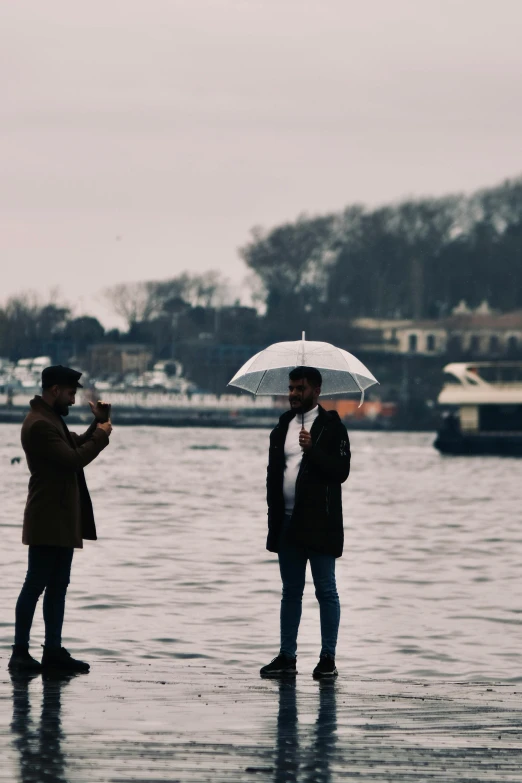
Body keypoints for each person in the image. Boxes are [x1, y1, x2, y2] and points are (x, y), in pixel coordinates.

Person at [8, 365, 112, 674]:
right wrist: (103, 436)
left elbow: (75, 443)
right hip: (47, 518)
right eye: (70, 394)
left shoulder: (50, 419)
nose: (72, 399)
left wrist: (99, 423)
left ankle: (52, 651)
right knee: (35, 585)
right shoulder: (39, 424)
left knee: (57, 586)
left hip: (61, 519)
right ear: (54, 390)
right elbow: (73, 459)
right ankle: (19, 653)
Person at [260, 366, 350, 679]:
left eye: (300, 388)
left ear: (316, 390)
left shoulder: (332, 426)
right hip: (287, 522)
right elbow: (275, 473)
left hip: (321, 523)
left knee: (326, 590)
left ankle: (328, 658)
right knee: (290, 592)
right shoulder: (282, 425)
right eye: (291, 388)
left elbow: (340, 472)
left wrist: (313, 451)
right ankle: (287, 656)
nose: (293, 394)